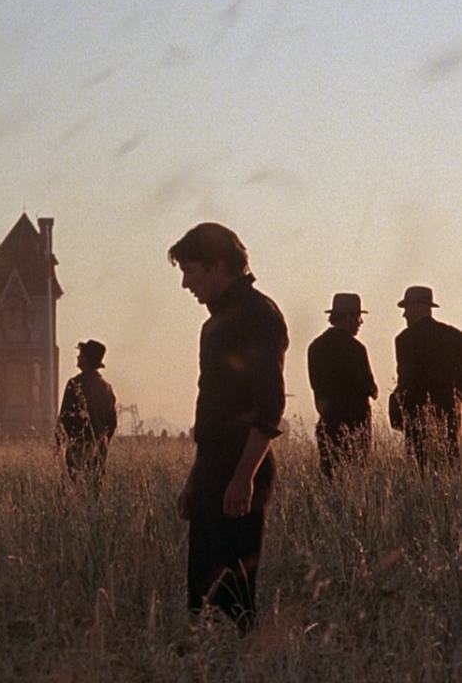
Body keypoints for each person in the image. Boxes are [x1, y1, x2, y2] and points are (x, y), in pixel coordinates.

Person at [168, 222, 288, 634]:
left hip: (242, 467)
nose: (185, 283)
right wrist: (195, 481)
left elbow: (268, 407)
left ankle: (245, 667)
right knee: (201, 592)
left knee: (234, 595)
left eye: (191, 270)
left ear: (219, 266)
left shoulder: (259, 315)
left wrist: (242, 477)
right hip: (214, 468)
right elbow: (212, 416)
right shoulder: (214, 325)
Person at [389, 286, 462, 470]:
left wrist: (399, 410)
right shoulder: (454, 336)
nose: (404, 315)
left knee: (421, 470)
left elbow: (405, 381)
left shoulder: (404, 340)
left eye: (406, 308)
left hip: (417, 415)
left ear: (417, 308)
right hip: (449, 414)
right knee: (450, 467)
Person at [307, 293, 378, 478]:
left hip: (328, 425)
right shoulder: (356, 349)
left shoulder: (315, 347)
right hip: (356, 429)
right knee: (355, 481)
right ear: (347, 317)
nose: (360, 322)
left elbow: (316, 386)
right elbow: (369, 387)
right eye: (357, 317)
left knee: (330, 481)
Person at [56, 339, 118, 495]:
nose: (77, 357)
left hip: (78, 447)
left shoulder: (74, 384)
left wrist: (60, 443)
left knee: (76, 490)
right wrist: (103, 443)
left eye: (80, 354)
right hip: (99, 449)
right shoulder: (106, 388)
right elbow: (112, 423)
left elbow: (64, 419)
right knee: (95, 491)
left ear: (85, 359)